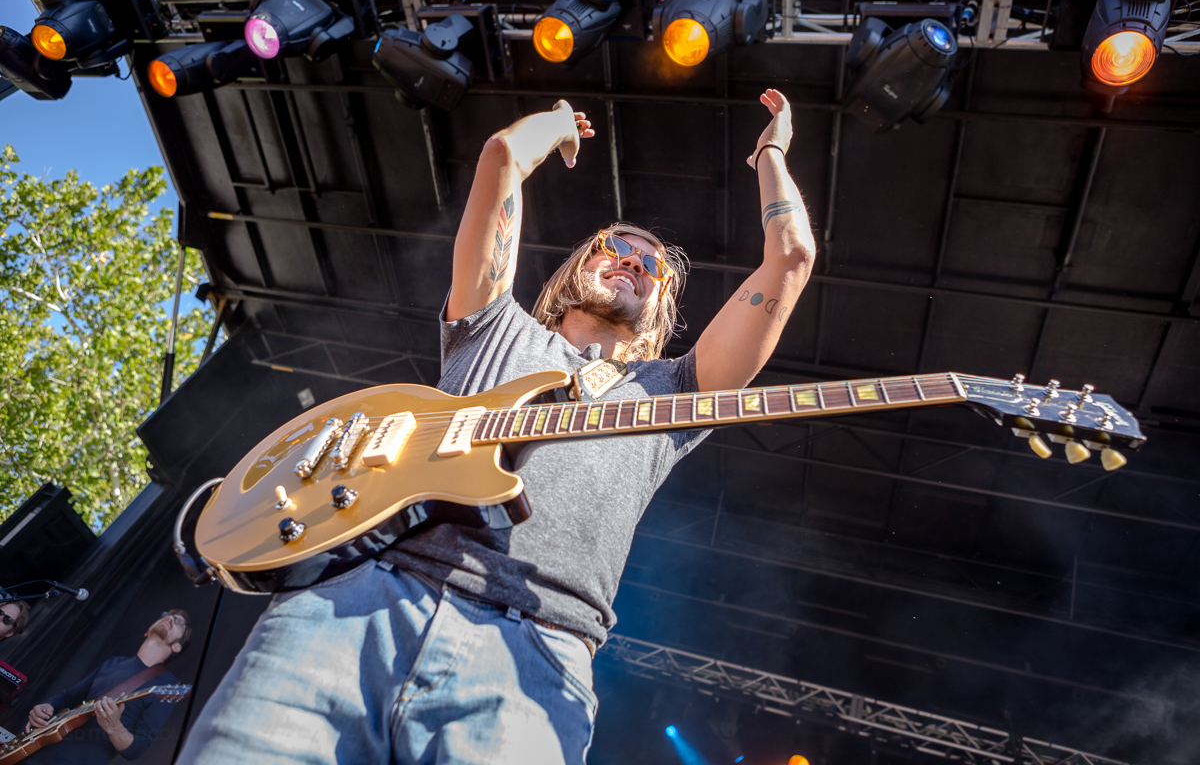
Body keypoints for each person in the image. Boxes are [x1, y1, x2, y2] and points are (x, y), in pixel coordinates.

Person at [177, 88, 815, 765]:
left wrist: (771, 153)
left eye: (651, 264)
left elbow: (792, 258)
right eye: (614, 247)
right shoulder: (492, 324)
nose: (631, 260)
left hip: (535, 652)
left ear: (661, 306)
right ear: (579, 265)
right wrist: (556, 123)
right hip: (358, 602)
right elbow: (504, 156)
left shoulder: (676, 393)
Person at [22, 610, 191, 763]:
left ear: (177, 647)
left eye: (178, 622)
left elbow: (137, 750)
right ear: (147, 631)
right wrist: (46, 706)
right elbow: (68, 697)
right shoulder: (114, 663)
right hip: (36, 749)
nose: (169, 618)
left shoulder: (166, 686)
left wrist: (113, 727)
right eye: (167, 615)